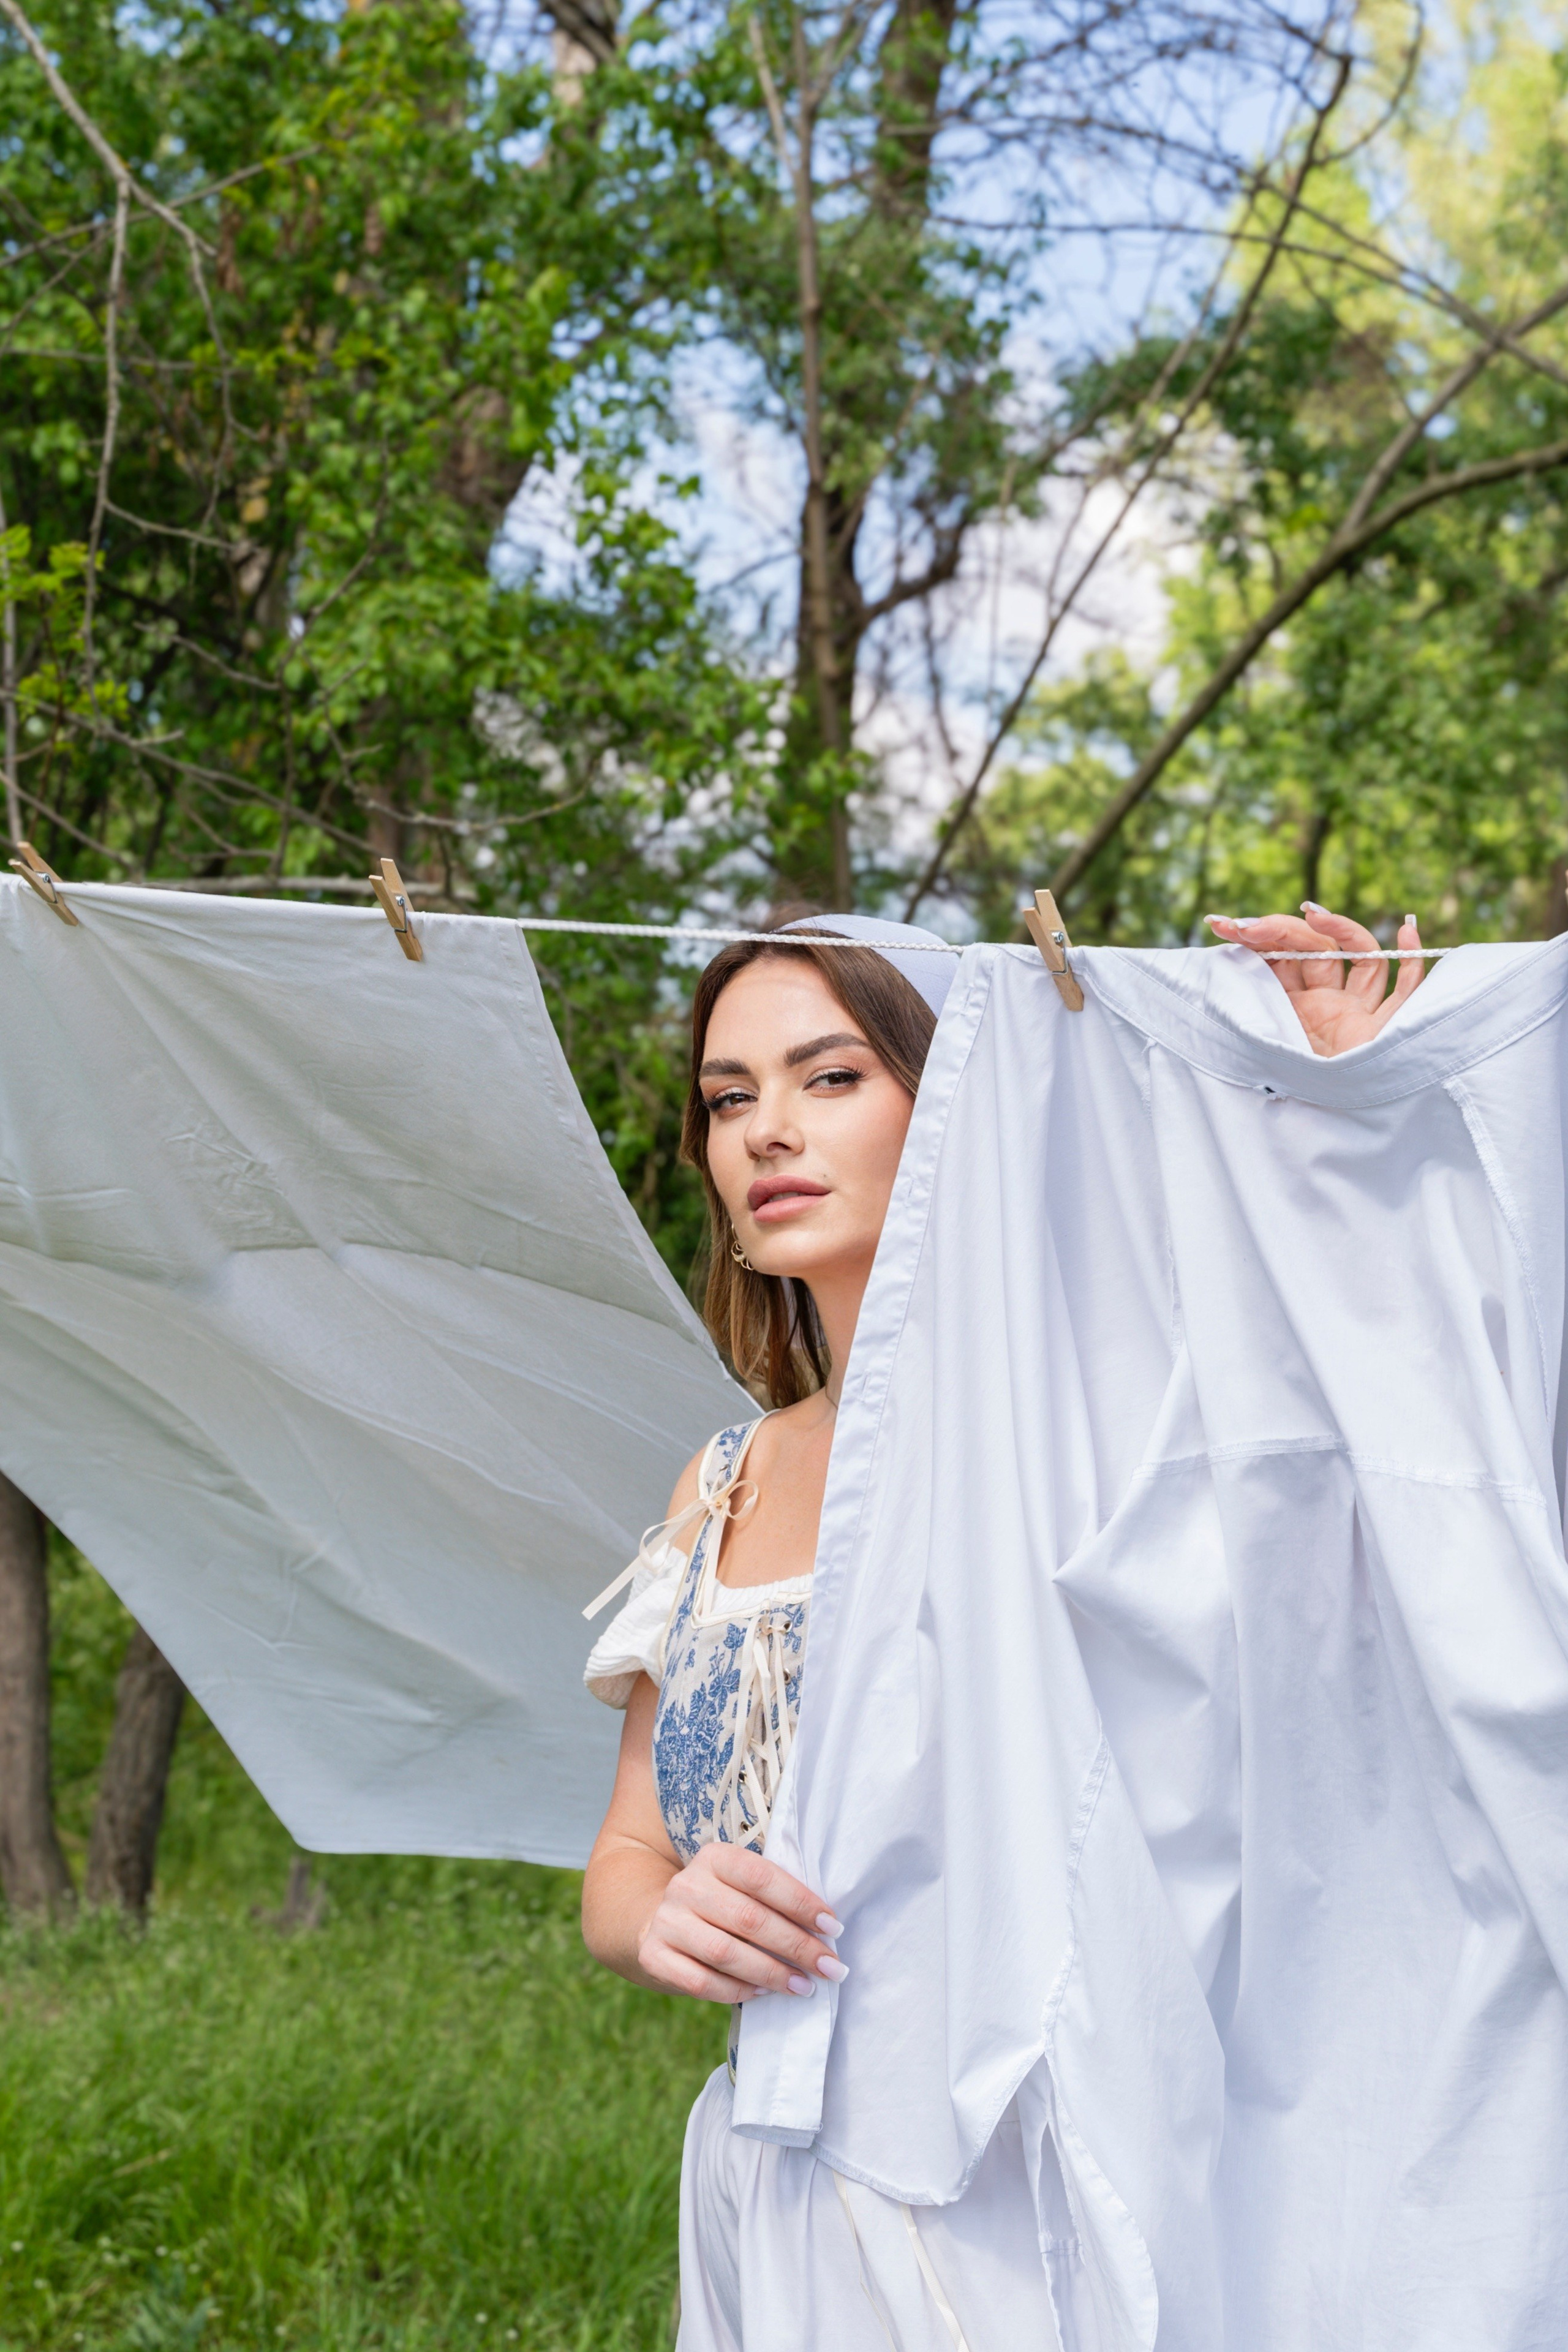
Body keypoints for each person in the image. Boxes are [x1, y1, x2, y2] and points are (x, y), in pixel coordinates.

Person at [579, 900, 1426, 2347]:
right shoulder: (722, 1480)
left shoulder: (1092, 1436)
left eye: (829, 1075)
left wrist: (1347, 1118)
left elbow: (1355, 1467)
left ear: (953, 1094)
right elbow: (629, 1856)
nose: (766, 1130)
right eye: (730, 1098)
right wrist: (665, 1921)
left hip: (1017, 2183)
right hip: (767, 2167)